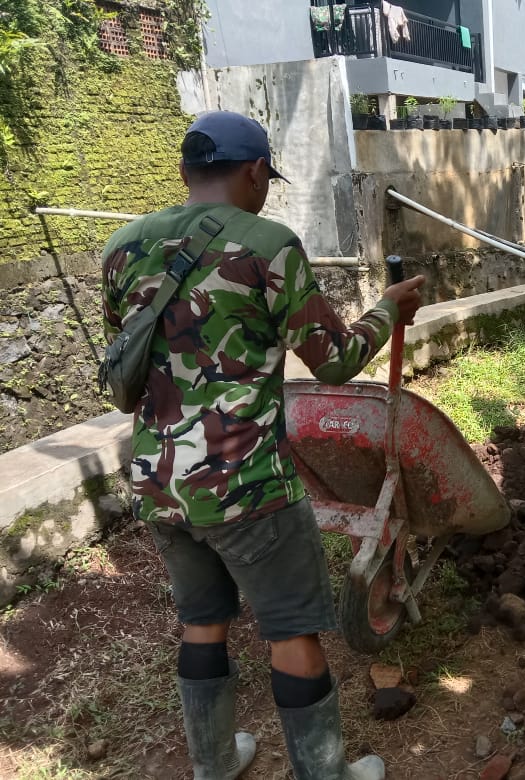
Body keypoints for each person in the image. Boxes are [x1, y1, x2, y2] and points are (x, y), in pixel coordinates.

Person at [101, 111, 424, 780]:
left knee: (201, 622)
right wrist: (388, 307)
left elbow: (131, 359)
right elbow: (334, 361)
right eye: (266, 178)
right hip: (246, 485)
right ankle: (324, 774)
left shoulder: (123, 246)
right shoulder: (268, 245)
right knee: (291, 630)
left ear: (186, 172)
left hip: (160, 482)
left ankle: (214, 767)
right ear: (253, 173)